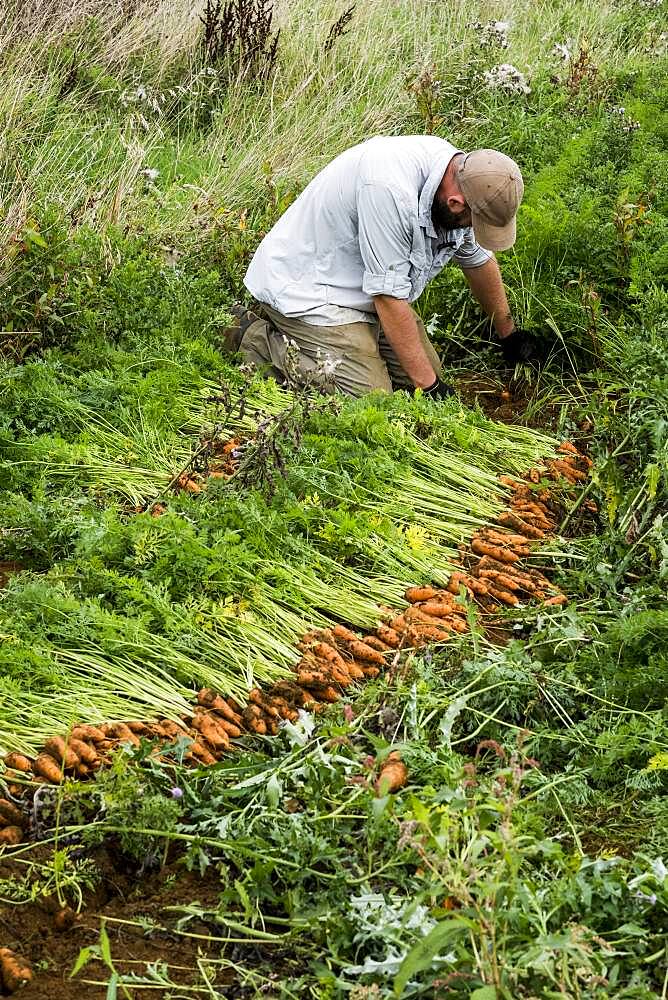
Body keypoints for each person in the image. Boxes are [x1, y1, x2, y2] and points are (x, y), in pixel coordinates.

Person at [229, 135, 539, 398]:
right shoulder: (388, 189)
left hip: (364, 289)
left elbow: (477, 259)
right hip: (310, 287)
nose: (472, 230)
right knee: (371, 397)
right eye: (475, 223)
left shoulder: (465, 178)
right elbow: (388, 299)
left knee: (414, 383)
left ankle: (355, 344)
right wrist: (429, 388)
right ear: (456, 203)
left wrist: (508, 335)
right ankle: (249, 335)